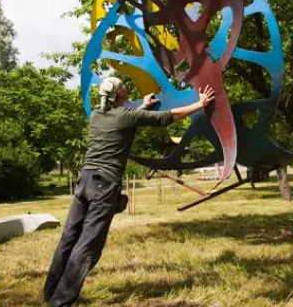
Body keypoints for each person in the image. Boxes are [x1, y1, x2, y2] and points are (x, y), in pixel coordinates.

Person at [43, 77, 215, 306]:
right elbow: (168, 117)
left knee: (69, 237)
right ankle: (61, 302)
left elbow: (125, 118)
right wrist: (200, 105)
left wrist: (142, 106)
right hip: (104, 186)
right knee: (88, 245)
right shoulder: (127, 116)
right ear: (119, 95)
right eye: (123, 85)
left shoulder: (96, 115)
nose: (126, 85)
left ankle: (50, 291)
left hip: (84, 182)